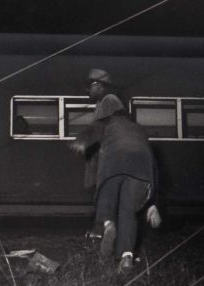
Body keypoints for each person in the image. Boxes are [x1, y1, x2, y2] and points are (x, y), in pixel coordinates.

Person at [69, 69, 161, 273]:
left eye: (90, 86)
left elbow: (96, 131)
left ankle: (108, 225)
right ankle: (126, 256)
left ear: (99, 85)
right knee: (128, 211)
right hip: (142, 166)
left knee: (106, 196)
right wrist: (153, 202)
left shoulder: (107, 109)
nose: (88, 91)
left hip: (115, 161)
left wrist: (81, 141)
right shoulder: (136, 128)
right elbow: (152, 162)